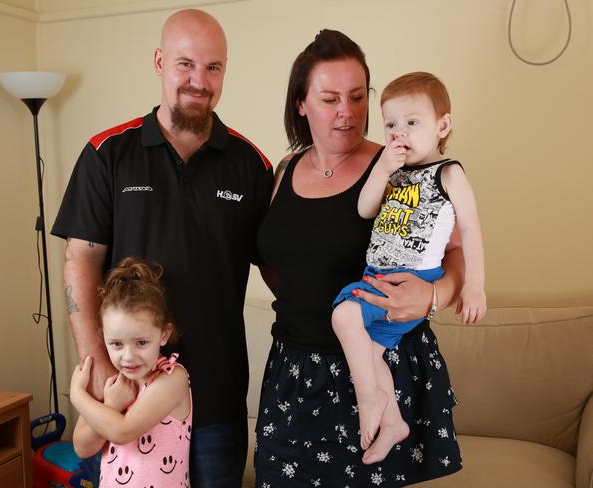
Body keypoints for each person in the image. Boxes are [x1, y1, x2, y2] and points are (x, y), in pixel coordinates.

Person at [52, 9, 273, 487]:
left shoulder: (252, 165)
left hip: (216, 396)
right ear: (158, 61)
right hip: (128, 385)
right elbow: (80, 263)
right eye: (185, 63)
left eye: (213, 67)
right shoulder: (107, 153)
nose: (199, 80)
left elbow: (283, 265)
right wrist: (101, 370)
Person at [255, 30, 464, 486]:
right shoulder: (282, 171)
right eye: (330, 99)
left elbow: (455, 253)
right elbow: (276, 261)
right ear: (301, 104)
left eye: (357, 96)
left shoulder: (399, 166)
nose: (347, 112)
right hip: (292, 371)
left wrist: (432, 295)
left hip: (373, 369)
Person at [331, 71, 486, 464]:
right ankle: (394, 422)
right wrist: (382, 170)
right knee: (369, 350)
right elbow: (364, 209)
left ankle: (370, 401)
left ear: (442, 126)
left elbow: (470, 229)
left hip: (413, 277)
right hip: (378, 276)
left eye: (412, 123)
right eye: (390, 125)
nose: (399, 134)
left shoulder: (448, 172)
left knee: (344, 316)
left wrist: (475, 287)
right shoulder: (394, 172)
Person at [70, 258, 191, 488]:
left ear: (164, 335)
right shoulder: (110, 384)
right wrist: (111, 405)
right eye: (116, 343)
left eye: (141, 342)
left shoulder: (172, 379)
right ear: (103, 336)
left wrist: (77, 394)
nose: (128, 356)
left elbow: (123, 431)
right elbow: (82, 447)